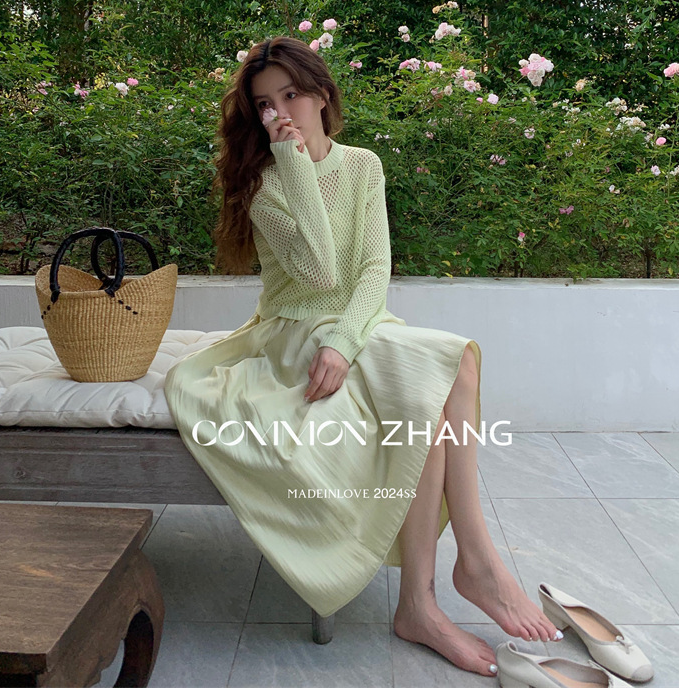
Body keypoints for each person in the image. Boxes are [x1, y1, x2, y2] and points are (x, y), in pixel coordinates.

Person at [164, 36, 561, 678]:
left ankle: (456, 577)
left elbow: (375, 269)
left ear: (321, 95)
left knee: (449, 370)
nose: (279, 113)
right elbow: (320, 273)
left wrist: (345, 342)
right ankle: (454, 582)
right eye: (264, 104)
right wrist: (293, 162)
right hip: (292, 333)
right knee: (444, 374)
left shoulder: (363, 164)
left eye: (291, 95)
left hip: (359, 325)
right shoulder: (264, 184)